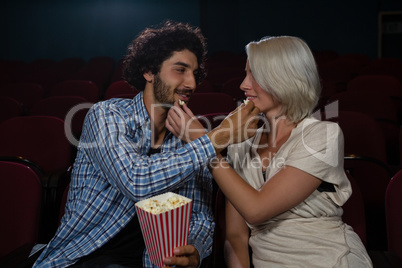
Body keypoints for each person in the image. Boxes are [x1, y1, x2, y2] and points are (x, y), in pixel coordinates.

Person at [32, 21, 259, 268]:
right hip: (86, 256)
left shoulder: (192, 138)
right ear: (149, 72)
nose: (191, 84)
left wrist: (194, 248)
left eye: (194, 74)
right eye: (180, 70)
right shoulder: (107, 115)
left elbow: (200, 217)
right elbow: (135, 180)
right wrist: (217, 138)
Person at [171, 36, 374, 267]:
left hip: (327, 256)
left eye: (254, 75)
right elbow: (236, 237)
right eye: (245, 73)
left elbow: (257, 210)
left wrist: (205, 145)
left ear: (284, 79)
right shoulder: (241, 143)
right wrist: (212, 144)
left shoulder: (323, 135)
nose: (243, 85)